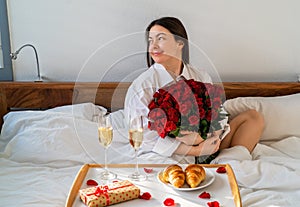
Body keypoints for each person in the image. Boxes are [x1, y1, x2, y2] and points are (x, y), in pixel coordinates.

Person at [124, 17, 264, 164]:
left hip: (208, 145)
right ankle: (224, 164)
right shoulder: (142, 86)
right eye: (150, 41)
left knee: (253, 117)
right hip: (170, 155)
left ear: (180, 43)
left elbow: (219, 115)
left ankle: (224, 162)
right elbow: (144, 137)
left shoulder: (201, 76)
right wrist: (195, 150)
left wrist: (206, 138)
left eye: (160, 39)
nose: (153, 46)